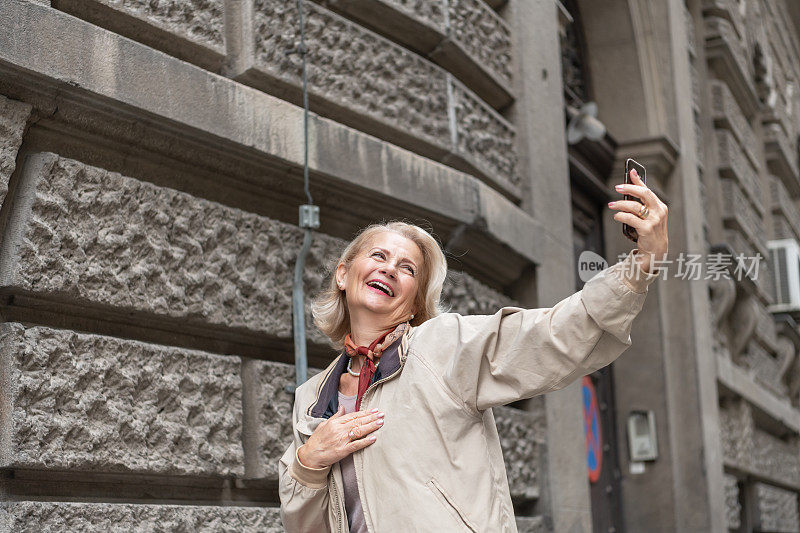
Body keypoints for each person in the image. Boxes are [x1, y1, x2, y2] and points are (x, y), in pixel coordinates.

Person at [279, 169, 668, 532]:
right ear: (344, 274)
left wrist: (642, 264)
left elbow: (553, 336)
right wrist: (309, 462)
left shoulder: (444, 345)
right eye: (378, 256)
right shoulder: (312, 399)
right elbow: (304, 526)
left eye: (408, 268)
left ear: (415, 303)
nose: (390, 269)